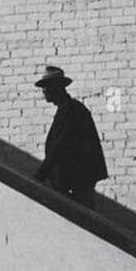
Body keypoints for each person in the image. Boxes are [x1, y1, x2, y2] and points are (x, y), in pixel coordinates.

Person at [33, 66, 108, 211]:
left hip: (76, 181)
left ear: (57, 88)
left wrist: (40, 176)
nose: (44, 91)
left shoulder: (70, 111)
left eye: (47, 87)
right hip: (74, 180)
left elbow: (59, 146)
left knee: (83, 219)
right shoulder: (68, 109)